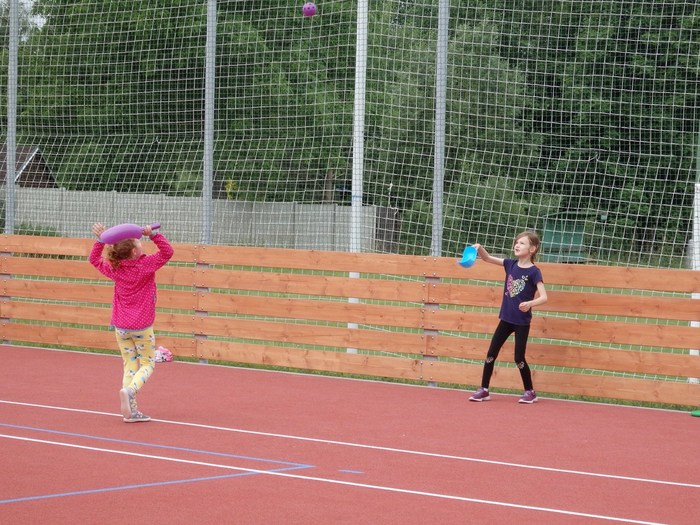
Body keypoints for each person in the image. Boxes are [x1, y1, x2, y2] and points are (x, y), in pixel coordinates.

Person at [89, 223, 174, 422]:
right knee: (147, 363)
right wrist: (153, 235)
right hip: (142, 327)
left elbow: (93, 259)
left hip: (121, 327)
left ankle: (131, 411)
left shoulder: (114, 268)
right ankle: (130, 391)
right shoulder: (146, 265)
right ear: (135, 251)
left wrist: (101, 240)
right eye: (138, 242)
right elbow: (168, 252)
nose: (140, 242)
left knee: (129, 364)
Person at [469, 231, 548, 404]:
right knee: (491, 354)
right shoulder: (510, 264)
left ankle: (530, 392)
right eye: (516, 242)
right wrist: (479, 248)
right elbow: (487, 258)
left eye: (522, 243)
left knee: (519, 358)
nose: (517, 245)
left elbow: (544, 297)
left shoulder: (534, 272)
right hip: (506, 319)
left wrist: (530, 303)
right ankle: (484, 389)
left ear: (532, 249)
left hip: (521, 322)